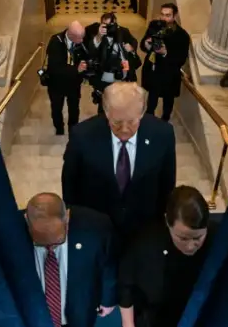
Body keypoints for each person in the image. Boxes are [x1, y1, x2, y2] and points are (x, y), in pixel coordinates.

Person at [117, 186, 214, 327]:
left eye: (198, 238)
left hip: (197, 318)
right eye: (183, 238)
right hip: (156, 321)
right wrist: (128, 326)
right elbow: (126, 284)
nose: (190, 246)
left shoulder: (217, 238)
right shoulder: (145, 242)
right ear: (167, 223)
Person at [62, 82, 176, 250]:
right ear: (106, 113)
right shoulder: (82, 135)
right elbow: (70, 185)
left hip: (143, 231)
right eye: (116, 122)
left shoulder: (163, 134)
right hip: (96, 231)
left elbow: (167, 184)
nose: (124, 129)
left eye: (131, 122)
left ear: (142, 112)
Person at [24, 193, 116, 327]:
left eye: (57, 240)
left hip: (75, 315)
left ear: (67, 217)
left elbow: (108, 263)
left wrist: (107, 299)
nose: (50, 246)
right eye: (42, 242)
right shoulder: (11, 233)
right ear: (27, 221)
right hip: (35, 321)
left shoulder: (95, 227)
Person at [139, 4, 190, 121]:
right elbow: (143, 45)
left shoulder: (182, 36)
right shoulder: (154, 25)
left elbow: (181, 59)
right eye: (162, 14)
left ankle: (164, 123)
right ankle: (149, 120)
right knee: (151, 100)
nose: (163, 18)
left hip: (169, 74)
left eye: (168, 15)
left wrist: (165, 53)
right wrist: (147, 44)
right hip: (153, 70)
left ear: (175, 16)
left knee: (168, 102)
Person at [84, 13, 141, 113]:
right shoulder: (97, 33)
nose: (109, 28)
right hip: (105, 75)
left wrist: (131, 48)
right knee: (104, 105)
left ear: (115, 22)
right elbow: (91, 51)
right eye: (105, 25)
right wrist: (99, 36)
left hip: (122, 75)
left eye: (111, 25)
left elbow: (134, 42)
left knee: (122, 105)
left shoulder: (123, 31)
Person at [45, 21, 89, 135]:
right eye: (80, 38)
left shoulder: (80, 41)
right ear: (71, 35)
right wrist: (76, 70)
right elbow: (55, 69)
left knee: (74, 108)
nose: (82, 41)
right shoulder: (55, 42)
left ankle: (73, 129)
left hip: (73, 84)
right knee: (56, 108)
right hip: (56, 85)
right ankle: (59, 128)